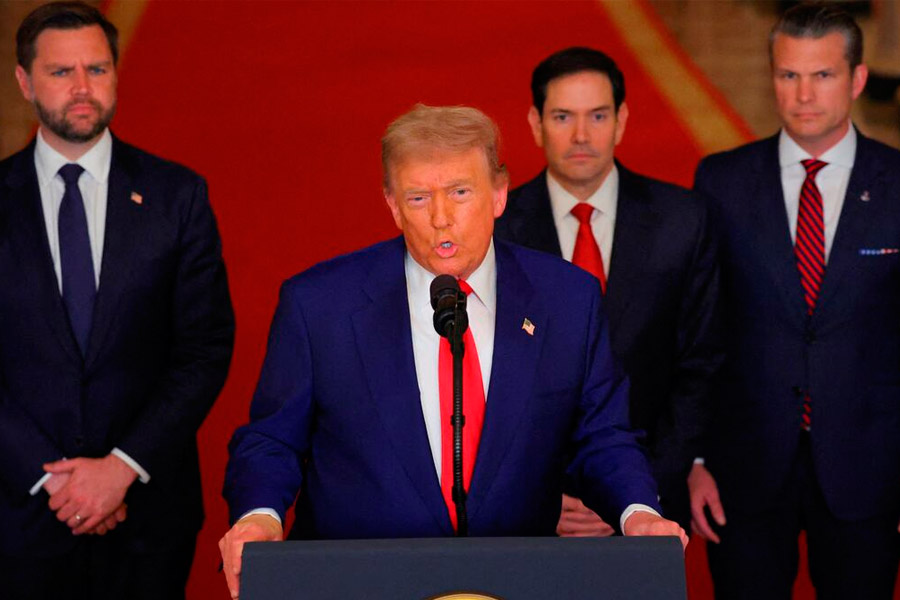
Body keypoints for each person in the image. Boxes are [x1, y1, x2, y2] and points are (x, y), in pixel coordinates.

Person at [219, 104, 686, 599]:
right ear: (393, 205)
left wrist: (639, 514)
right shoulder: (319, 305)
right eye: (418, 198)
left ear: (499, 194)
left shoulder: (567, 300)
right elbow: (272, 440)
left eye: (460, 192)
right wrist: (259, 517)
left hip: (516, 582)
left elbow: (603, 436)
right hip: (358, 583)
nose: (440, 218)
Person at [0, 3, 235, 599]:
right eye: (61, 72)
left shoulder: (177, 196)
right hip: (16, 517)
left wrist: (120, 468)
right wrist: (55, 482)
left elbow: (204, 349)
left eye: (97, 69)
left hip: (148, 521)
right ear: (25, 81)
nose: (82, 87)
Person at [691, 3, 900, 598]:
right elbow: (700, 328)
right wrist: (696, 460)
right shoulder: (721, 181)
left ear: (857, 79)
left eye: (823, 75)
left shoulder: (897, 184)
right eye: (789, 75)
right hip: (745, 468)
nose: (804, 95)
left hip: (870, 469)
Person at [494, 47, 721, 536]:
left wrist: (633, 497)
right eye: (562, 117)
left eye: (597, 116)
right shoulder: (498, 229)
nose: (581, 135)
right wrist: (539, 496)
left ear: (621, 121)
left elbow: (701, 366)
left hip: (650, 501)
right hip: (530, 510)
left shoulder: (683, 220)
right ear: (535, 124)